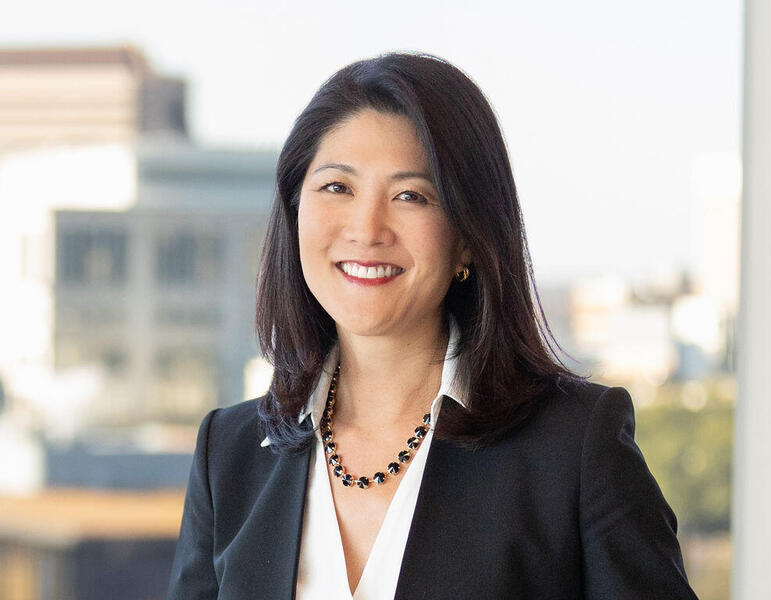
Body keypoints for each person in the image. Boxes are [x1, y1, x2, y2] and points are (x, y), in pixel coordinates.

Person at [167, 51, 699, 600]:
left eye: (410, 196)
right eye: (337, 188)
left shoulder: (573, 448)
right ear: (295, 208)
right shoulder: (227, 454)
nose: (367, 229)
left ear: (467, 235)